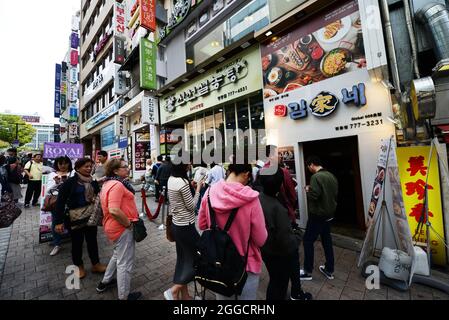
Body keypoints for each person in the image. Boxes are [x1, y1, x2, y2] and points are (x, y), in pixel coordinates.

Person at [198, 160, 268, 300]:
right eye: (249, 179)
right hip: (245, 265)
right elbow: (261, 239)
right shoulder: (251, 199)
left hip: (218, 264)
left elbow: (202, 224)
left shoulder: (210, 193)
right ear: (247, 174)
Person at [259, 167, 312, 300]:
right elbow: (287, 242)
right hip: (278, 253)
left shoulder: (259, 198)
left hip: (266, 249)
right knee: (279, 284)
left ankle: (295, 292)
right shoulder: (277, 209)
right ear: (280, 184)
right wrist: (298, 234)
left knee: (275, 280)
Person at [96, 158, 142, 300]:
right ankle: (124, 296)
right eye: (124, 167)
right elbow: (114, 210)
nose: (128, 168)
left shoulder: (109, 183)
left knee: (117, 256)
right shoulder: (117, 185)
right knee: (125, 263)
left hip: (114, 227)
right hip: (121, 228)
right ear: (115, 171)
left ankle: (105, 281)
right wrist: (128, 224)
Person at [54, 158, 107, 279]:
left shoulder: (93, 182)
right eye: (86, 166)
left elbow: (98, 196)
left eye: (90, 166)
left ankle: (96, 264)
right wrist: (58, 222)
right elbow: (60, 203)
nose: (89, 169)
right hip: (75, 218)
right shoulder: (69, 183)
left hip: (90, 216)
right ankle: (78, 266)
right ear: (77, 168)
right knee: (77, 243)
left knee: (92, 241)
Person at [164, 162, 203, 300]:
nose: (190, 165)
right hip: (186, 226)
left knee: (182, 260)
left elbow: (180, 198)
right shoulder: (182, 182)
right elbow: (192, 206)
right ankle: (174, 291)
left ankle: (185, 296)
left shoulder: (172, 179)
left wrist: (190, 186)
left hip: (177, 225)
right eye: (188, 162)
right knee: (198, 259)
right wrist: (198, 189)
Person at [300, 156, 338, 281]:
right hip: (329, 215)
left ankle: (307, 272)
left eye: (308, 166)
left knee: (307, 241)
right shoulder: (331, 176)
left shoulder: (316, 177)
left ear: (311, 165)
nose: (308, 169)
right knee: (327, 241)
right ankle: (329, 269)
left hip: (317, 215)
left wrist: (307, 189)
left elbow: (315, 195)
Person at [258, 145, 298, 228]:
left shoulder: (260, 172)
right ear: (270, 156)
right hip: (283, 212)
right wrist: (291, 208)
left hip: (264, 213)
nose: (280, 156)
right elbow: (292, 195)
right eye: (278, 153)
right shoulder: (283, 172)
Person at [46, 156, 73, 256]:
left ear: (69, 164)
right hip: (57, 202)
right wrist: (56, 183)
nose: (63, 165)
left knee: (71, 222)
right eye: (60, 163)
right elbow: (48, 190)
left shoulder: (73, 173)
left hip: (71, 201)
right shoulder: (52, 175)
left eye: (65, 163)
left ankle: (75, 241)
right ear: (57, 164)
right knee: (55, 223)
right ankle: (57, 244)